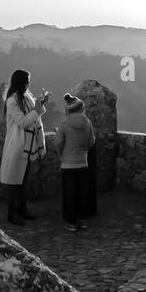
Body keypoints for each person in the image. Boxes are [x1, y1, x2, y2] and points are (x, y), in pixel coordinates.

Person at [0, 69, 48, 226]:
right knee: (14, 181)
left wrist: (40, 103)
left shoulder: (26, 96)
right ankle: (12, 214)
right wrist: (37, 109)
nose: (29, 83)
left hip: (28, 145)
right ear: (20, 82)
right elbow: (23, 122)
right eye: (27, 80)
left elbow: (34, 115)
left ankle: (22, 209)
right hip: (17, 145)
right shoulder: (12, 101)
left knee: (22, 181)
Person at [58, 94, 95, 231]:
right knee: (83, 193)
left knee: (70, 194)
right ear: (81, 108)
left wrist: (61, 154)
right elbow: (91, 142)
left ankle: (72, 222)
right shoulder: (88, 123)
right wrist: (83, 150)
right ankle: (84, 220)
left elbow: (58, 143)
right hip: (83, 163)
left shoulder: (64, 124)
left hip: (68, 163)